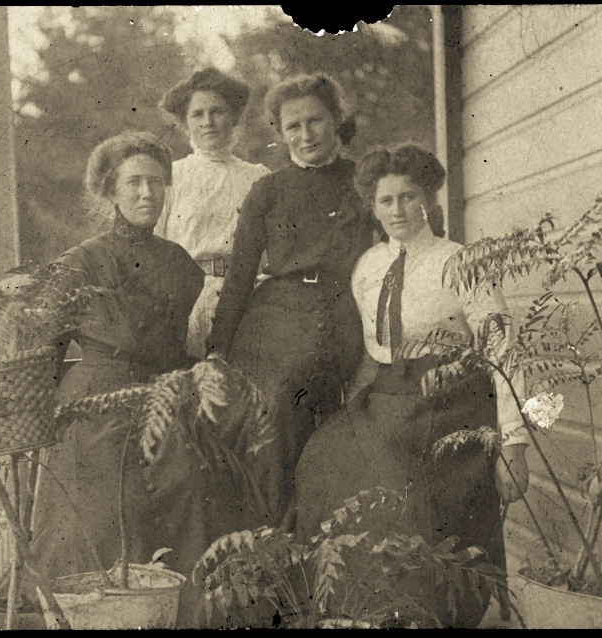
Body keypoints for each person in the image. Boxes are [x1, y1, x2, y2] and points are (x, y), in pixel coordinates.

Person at [293, 144, 530, 628]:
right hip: (389, 395)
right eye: (386, 200)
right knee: (322, 459)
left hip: (452, 401)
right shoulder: (368, 267)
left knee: (423, 500)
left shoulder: (461, 261)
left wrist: (514, 442)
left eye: (408, 197)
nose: (397, 210)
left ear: (428, 200)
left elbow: (501, 349)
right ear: (373, 207)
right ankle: (365, 608)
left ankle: (436, 614)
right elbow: (371, 351)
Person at [24, 131, 208, 624]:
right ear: (109, 191)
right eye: (134, 183)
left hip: (162, 402)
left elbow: (181, 350)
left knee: (186, 496)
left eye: (156, 182)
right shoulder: (80, 263)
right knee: (98, 521)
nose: (147, 194)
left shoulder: (182, 267)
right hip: (93, 409)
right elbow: (45, 352)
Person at [205, 72, 374, 529]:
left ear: (337, 119)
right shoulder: (268, 191)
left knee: (336, 413)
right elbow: (240, 276)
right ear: (279, 134)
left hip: (345, 308)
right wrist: (218, 349)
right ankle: (275, 539)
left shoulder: (365, 182)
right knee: (277, 408)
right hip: (276, 315)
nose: (305, 134)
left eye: (315, 121)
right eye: (292, 126)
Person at [154, 67, 272, 359]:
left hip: (244, 303)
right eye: (197, 114)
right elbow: (153, 248)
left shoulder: (259, 177)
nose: (208, 122)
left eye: (217, 111)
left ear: (233, 116)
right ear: (185, 122)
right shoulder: (171, 176)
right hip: (186, 302)